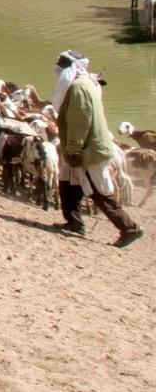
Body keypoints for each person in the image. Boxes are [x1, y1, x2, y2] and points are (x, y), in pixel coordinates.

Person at [52, 50, 144, 247]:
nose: (57, 68)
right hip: (79, 145)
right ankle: (74, 222)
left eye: (61, 64)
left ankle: (130, 228)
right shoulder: (85, 84)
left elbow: (80, 121)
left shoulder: (78, 88)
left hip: (88, 148)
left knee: (98, 190)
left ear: (71, 68)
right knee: (68, 183)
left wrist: (74, 149)